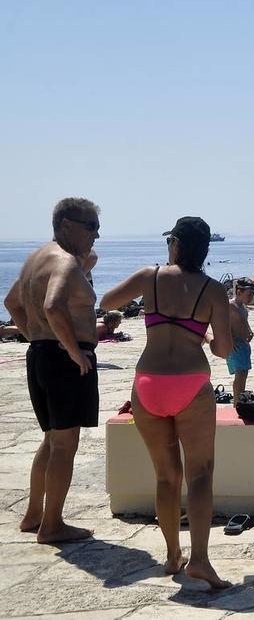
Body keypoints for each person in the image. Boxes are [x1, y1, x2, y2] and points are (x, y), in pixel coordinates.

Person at [100, 216, 232, 588]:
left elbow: (108, 301)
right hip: (191, 384)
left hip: (148, 384)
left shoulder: (150, 276)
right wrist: (204, 338)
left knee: (166, 475)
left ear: (174, 243)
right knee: (201, 475)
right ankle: (201, 560)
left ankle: (173, 553)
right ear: (204, 250)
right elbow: (223, 349)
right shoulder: (213, 290)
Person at [3, 198, 101, 543]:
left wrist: (36, 337)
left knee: (51, 439)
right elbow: (53, 304)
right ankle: (53, 524)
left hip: (41, 355)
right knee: (64, 445)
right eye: (91, 227)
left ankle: (33, 514)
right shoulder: (65, 262)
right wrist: (73, 351)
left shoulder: (36, 259)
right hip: (64, 361)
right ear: (66, 225)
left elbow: (12, 302)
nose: (96, 234)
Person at [226, 278, 254, 406]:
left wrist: (249, 331)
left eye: (253, 294)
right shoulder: (230, 306)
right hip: (235, 345)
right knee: (239, 374)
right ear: (239, 292)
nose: (251, 297)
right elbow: (222, 325)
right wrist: (230, 340)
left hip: (243, 344)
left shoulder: (242, 307)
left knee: (244, 373)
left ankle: (241, 399)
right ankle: (237, 401)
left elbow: (244, 322)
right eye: (249, 294)